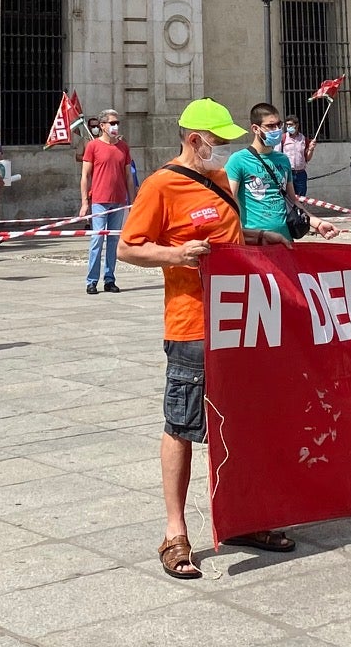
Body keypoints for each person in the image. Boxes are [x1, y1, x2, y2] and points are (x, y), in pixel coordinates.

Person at [120, 98, 297, 579]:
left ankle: (244, 518)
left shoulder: (219, 181)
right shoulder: (161, 185)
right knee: (182, 424)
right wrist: (177, 254)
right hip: (191, 323)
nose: (223, 150)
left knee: (243, 420)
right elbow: (128, 248)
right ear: (194, 140)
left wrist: (259, 237)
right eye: (217, 142)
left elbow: (228, 240)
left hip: (238, 321)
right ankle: (175, 532)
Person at [230, 102, 339, 242]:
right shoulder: (238, 160)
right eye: (270, 126)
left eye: (278, 124)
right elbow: (228, 202)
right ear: (255, 129)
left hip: (285, 239)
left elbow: (292, 199)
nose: (276, 130)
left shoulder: (283, 160)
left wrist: (317, 223)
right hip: (257, 242)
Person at [80, 109, 134, 293]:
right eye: (112, 123)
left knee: (113, 241)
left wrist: (132, 201)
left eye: (117, 123)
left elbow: (128, 176)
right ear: (102, 126)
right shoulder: (93, 146)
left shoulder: (123, 147)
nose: (115, 126)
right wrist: (85, 202)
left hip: (119, 200)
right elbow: (85, 175)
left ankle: (109, 279)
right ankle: (92, 280)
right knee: (97, 240)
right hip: (99, 200)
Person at [283, 118, 311, 198]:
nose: (288, 127)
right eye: (287, 125)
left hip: (300, 173)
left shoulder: (303, 139)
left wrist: (311, 149)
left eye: (290, 124)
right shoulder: (283, 138)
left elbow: (307, 158)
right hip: (288, 173)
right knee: (288, 197)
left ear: (297, 125)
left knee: (301, 197)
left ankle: (299, 210)